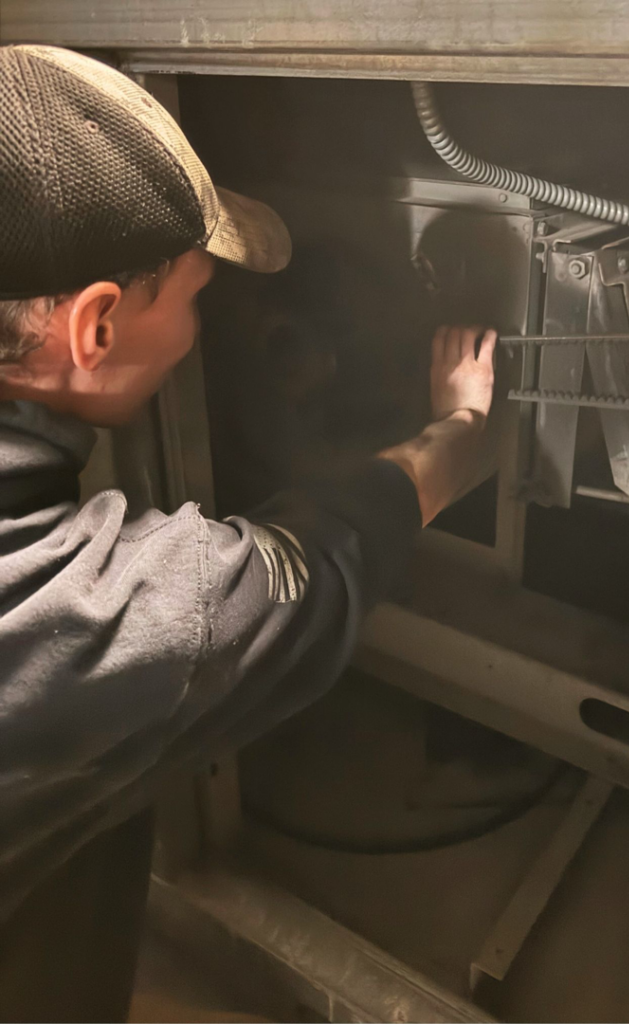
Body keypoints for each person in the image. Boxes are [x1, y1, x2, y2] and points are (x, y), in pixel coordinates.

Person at [0, 45, 496, 1021]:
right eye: (193, 295)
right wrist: (466, 431)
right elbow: (301, 573)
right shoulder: (58, 609)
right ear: (93, 327)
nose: (204, 328)